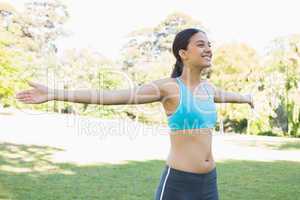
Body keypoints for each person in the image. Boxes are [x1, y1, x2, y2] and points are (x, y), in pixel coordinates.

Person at [15, 28, 254, 200]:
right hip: (178, 183)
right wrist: (55, 93)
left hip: (209, 183)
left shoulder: (208, 89)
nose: (209, 49)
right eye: (201, 44)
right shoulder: (168, 87)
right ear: (183, 53)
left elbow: (229, 95)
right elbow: (109, 96)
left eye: (209, 44)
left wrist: (247, 98)